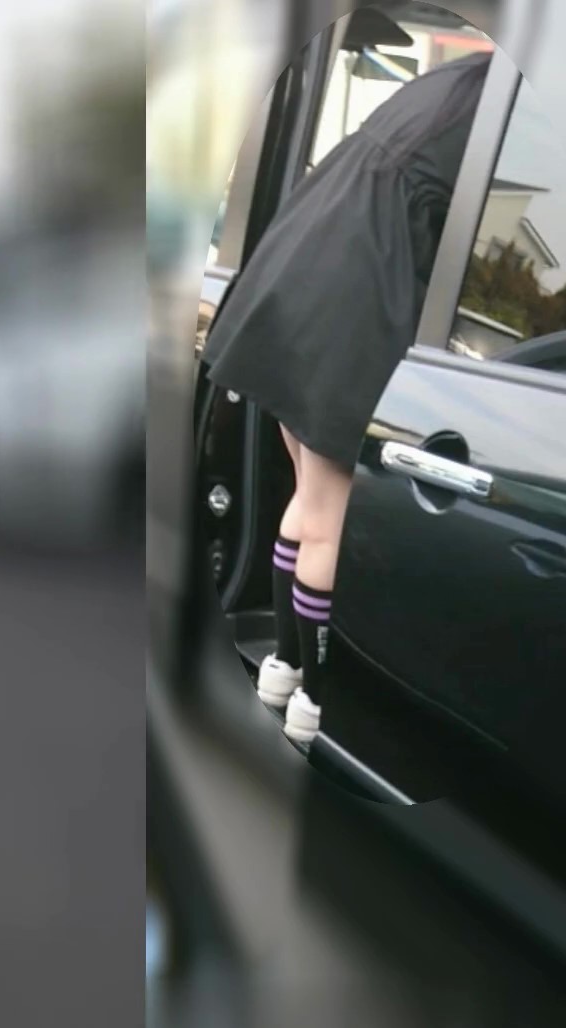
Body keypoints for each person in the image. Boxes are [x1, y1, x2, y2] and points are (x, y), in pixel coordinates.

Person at [202, 46, 493, 744]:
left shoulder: (456, 81)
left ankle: (282, 667)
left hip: (299, 272)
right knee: (330, 516)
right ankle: (316, 698)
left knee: (308, 501)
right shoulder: (497, 101)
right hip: (355, 287)